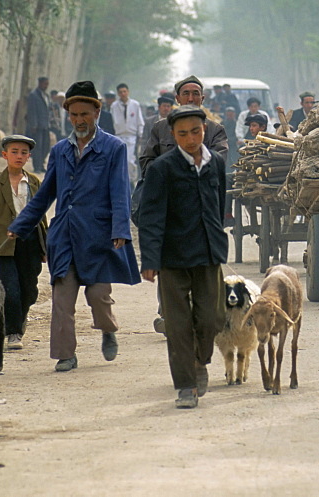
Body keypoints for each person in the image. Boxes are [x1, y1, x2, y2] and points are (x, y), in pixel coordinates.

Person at [8, 81, 140, 373]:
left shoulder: (113, 148)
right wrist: (21, 224)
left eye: (85, 114)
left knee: (98, 297)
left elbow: (120, 191)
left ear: (96, 111)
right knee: (62, 299)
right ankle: (66, 354)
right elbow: (45, 194)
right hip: (65, 235)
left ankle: (108, 330)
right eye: (74, 115)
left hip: (99, 237)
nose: (79, 120)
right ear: (68, 115)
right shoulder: (59, 151)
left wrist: (120, 229)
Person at [138, 105, 228, 409]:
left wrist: (218, 242)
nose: (190, 139)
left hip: (208, 253)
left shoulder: (215, 162)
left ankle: (201, 360)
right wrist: (150, 259)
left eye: (196, 131)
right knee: (177, 324)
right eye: (182, 134)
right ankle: (186, 386)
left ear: (204, 130)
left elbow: (218, 205)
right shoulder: (162, 169)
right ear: (173, 136)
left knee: (212, 318)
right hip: (172, 257)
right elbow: (150, 217)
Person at [0, 135, 47, 351]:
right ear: (5, 155)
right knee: (10, 289)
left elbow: (41, 214)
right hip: (5, 245)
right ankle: (13, 332)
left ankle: (20, 318)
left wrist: (45, 247)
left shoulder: (34, 182)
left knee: (29, 289)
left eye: (24, 153)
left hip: (32, 243)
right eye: (14, 152)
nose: (19, 156)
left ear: (29, 157)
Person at [139, 75, 229, 173]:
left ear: (202, 98)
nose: (190, 99)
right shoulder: (160, 127)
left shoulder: (215, 129)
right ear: (177, 99)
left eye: (195, 94)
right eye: (186, 94)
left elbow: (219, 162)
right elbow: (147, 160)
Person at [110, 83, 145, 186]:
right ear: (118, 94)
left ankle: (131, 181)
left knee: (130, 160)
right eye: (121, 92)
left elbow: (140, 121)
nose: (123, 94)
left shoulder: (135, 105)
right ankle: (120, 181)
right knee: (119, 160)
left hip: (132, 136)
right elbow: (113, 121)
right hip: (118, 135)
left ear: (128, 92)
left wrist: (140, 134)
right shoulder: (114, 106)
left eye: (124, 91)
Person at [25, 77, 51, 173]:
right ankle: (37, 166)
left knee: (46, 146)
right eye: (45, 83)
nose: (46, 86)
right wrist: (33, 124)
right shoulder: (33, 95)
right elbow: (32, 111)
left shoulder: (46, 96)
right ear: (40, 83)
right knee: (38, 147)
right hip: (37, 125)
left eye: (47, 84)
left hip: (45, 125)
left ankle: (41, 164)